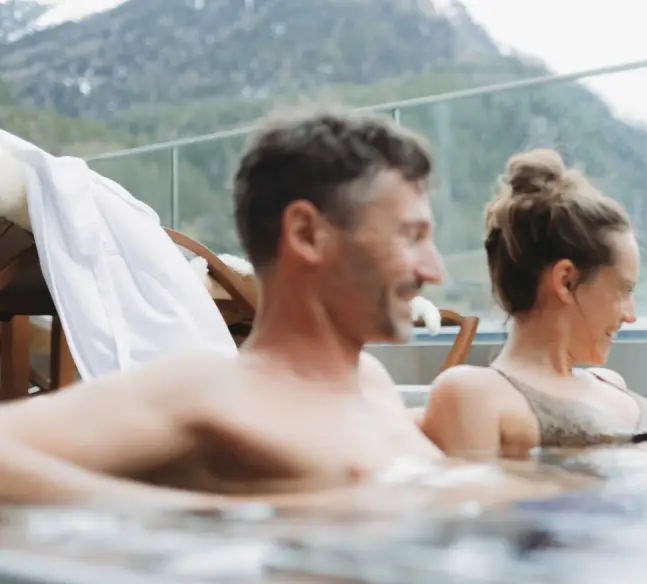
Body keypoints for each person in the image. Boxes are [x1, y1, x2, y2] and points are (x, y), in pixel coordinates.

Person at [0, 108, 458, 506]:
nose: (434, 270)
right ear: (306, 234)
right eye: (410, 237)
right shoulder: (209, 387)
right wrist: (211, 519)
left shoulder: (373, 385)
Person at [422, 149, 647, 459]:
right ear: (566, 281)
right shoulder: (472, 394)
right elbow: (477, 489)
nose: (631, 315)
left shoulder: (609, 382)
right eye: (623, 291)